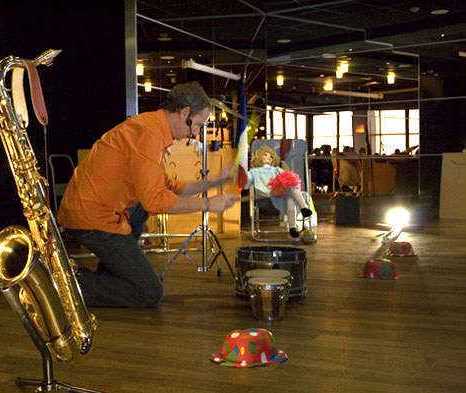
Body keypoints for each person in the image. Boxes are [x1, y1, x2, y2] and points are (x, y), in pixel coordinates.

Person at [57, 82, 240, 307]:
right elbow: (155, 200)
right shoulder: (149, 133)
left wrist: (214, 183)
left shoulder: (152, 127)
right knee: (149, 292)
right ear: (184, 114)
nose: (196, 134)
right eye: (199, 125)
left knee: (141, 207)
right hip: (89, 218)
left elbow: (168, 186)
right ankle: (63, 284)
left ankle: (113, 271)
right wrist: (209, 204)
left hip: (101, 210)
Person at [244, 145, 312, 238]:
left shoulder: (276, 169)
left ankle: (292, 228)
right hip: (267, 193)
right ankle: (303, 209)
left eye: (271, 156)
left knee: (290, 193)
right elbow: (246, 182)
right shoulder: (254, 171)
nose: (268, 157)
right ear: (259, 156)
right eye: (265, 155)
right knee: (291, 189)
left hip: (282, 192)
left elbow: (287, 178)